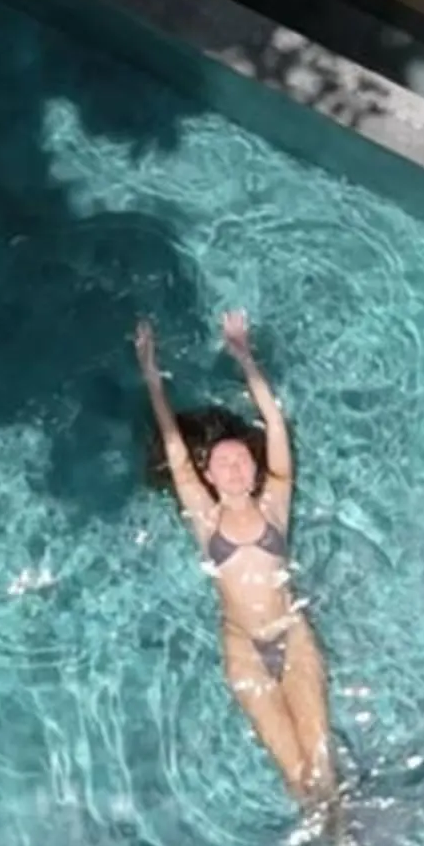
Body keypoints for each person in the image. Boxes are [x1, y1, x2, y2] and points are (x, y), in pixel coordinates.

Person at [133, 310, 337, 811]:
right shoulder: (205, 518)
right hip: (244, 647)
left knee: (322, 765)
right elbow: (176, 449)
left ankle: (344, 837)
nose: (232, 466)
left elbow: (275, 424)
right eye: (222, 462)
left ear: (253, 467)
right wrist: (152, 379)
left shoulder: (275, 504)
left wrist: (244, 357)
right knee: (295, 772)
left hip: (291, 634)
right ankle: (324, 841)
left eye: (241, 459)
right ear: (208, 475)